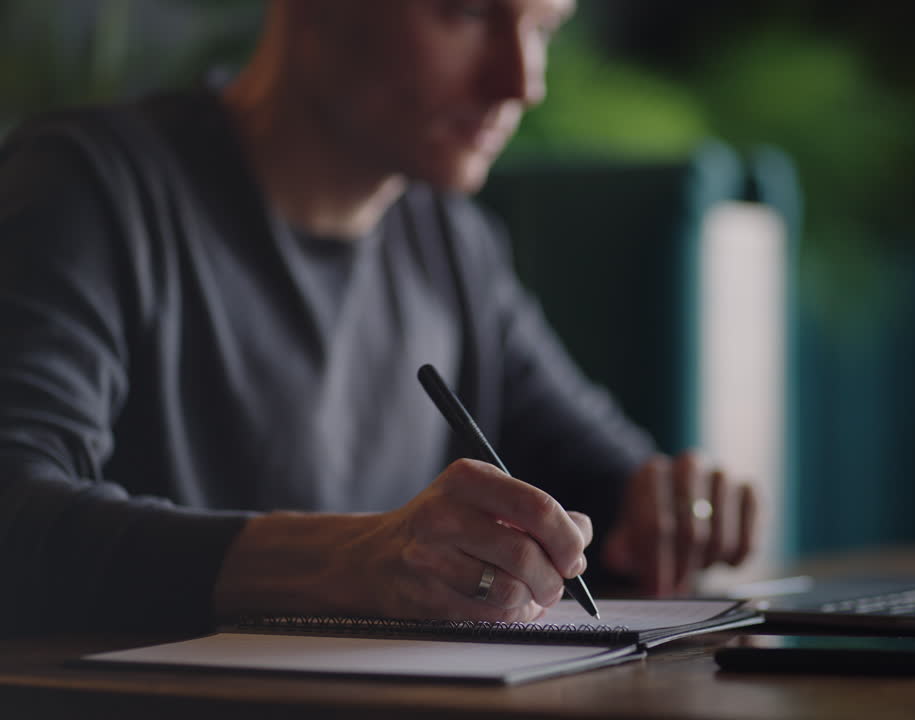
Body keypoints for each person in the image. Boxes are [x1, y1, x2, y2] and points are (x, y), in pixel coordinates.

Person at [0, 0, 755, 635]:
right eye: (466, 12)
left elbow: (607, 485)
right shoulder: (91, 189)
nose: (520, 82)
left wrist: (665, 509)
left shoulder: (452, 246)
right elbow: (15, 516)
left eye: (542, 29)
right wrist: (344, 560)